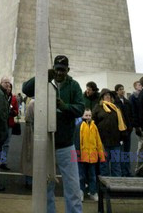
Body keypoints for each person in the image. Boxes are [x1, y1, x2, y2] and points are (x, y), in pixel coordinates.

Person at [23, 55, 85, 213]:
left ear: (68, 70)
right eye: (57, 69)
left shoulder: (74, 86)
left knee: (73, 186)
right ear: (53, 68)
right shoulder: (45, 81)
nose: (59, 73)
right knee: (46, 187)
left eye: (62, 70)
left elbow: (80, 108)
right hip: (46, 144)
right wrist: (43, 75)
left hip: (66, 145)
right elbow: (26, 89)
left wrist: (65, 107)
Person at [92, 88, 126, 177]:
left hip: (116, 141)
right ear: (102, 97)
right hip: (102, 142)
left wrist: (122, 137)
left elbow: (121, 122)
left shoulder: (116, 108)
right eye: (105, 95)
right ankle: (104, 188)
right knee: (104, 166)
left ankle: (117, 188)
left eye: (109, 95)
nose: (108, 97)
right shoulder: (97, 108)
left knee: (116, 166)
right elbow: (93, 124)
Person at [74, 108, 104, 202]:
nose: (88, 117)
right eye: (86, 115)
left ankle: (93, 192)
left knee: (92, 176)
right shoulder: (79, 126)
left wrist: (101, 156)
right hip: (82, 156)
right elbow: (76, 142)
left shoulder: (94, 127)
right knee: (81, 176)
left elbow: (98, 142)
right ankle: (81, 192)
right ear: (82, 116)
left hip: (93, 156)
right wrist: (77, 156)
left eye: (89, 115)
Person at [114, 84, 133, 177]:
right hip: (120, 132)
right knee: (120, 153)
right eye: (120, 89)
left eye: (123, 89)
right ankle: (122, 172)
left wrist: (131, 127)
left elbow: (131, 116)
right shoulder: (115, 103)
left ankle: (127, 171)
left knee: (126, 152)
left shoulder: (127, 102)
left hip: (128, 131)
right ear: (116, 91)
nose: (122, 91)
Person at [0, 82, 19, 171]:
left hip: (9, 124)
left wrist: (13, 112)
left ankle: (3, 162)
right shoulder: (1, 96)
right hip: (1, 123)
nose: (9, 89)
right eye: (7, 87)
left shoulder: (14, 99)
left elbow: (16, 111)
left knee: (6, 144)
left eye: (10, 88)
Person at [129, 80, 143, 177]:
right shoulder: (133, 97)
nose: (141, 86)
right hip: (139, 125)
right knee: (141, 147)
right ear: (135, 87)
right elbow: (133, 112)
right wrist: (136, 126)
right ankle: (139, 167)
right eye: (139, 85)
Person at [20, 98, 35, 189]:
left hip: (31, 130)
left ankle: (29, 180)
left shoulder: (32, 102)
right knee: (30, 156)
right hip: (32, 131)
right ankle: (29, 181)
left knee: (29, 156)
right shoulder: (34, 103)